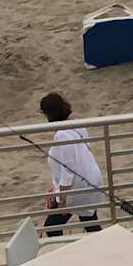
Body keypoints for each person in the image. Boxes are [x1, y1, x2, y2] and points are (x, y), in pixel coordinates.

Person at [40, 94, 102, 236]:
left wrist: (62, 200)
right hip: (91, 180)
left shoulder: (61, 135)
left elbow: (68, 172)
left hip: (78, 187)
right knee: (90, 222)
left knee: (51, 227)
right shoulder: (77, 124)